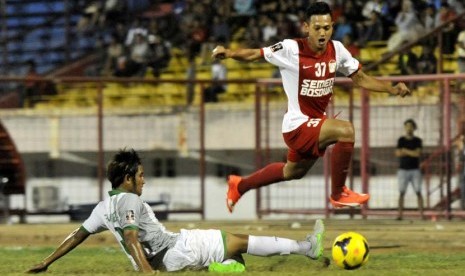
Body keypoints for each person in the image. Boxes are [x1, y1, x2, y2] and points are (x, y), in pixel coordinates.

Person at [211, 1, 411, 213]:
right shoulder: (290, 49)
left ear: (332, 27)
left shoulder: (337, 50)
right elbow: (256, 54)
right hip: (297, 126)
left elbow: (360, 78)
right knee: (345, 130)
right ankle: (338, 193)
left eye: (327, 27)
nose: (322, 33)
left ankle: (239, 185)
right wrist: (230, 53)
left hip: (315, 125)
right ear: (306, 27)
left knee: (292, 172)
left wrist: (392, 89)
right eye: (317, 28)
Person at [27, 149, 325, 274]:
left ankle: (221, 267)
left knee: (237, 259)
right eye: (140, 174)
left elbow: (77, 235)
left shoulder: (103, 207)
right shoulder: (130, 200)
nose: (144, 179)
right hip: (173, 251)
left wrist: (46, 261)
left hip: (169, 251)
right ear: (128, 178)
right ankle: (307, 248)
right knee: (238, 241)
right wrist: (146, 272)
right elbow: (131, 237)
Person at [395, 119, 424, 220]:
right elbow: (398, 153)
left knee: (418, 191)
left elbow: (417, 154)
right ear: (405, 127)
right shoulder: (401, 140)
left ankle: (421, 215)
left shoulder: (417, 140)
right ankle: (400, 215)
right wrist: (411, 152)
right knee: (401, 192)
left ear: (414, 128)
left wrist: (405, 151)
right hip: (402, 170)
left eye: (410, 126)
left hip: (415, 170)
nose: (408, 128)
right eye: (407, 126)